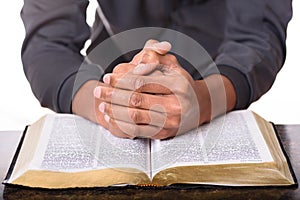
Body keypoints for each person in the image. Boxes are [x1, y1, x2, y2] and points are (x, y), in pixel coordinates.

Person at [21, 0, 292, 139]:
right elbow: (48, 42)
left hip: (217, 100)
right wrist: (108, 105)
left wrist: (204, 99)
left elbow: (258, 36)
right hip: (108, 91)